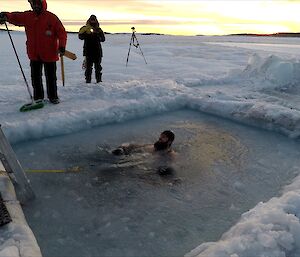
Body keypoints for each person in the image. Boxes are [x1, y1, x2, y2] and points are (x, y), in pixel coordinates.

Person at [0, 0, 67, 104]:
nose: (35, 6)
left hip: (49, 53)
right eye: (33, 4)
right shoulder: (28, 16)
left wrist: (62, 46)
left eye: (37, 4)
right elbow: (15, 17)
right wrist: (6, 16)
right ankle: (38, 97)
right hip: (34, 53)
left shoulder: (51, 17)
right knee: (35, 77)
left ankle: (53, 97)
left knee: (51, 77)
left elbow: (62, 33)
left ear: (42, 4)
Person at [78, 15, 105, 83]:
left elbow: (103, 39)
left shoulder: (99, 29)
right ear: (89, 20)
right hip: (88, 51)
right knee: (88, 68)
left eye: (94, 20)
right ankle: (88, 81)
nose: (92, 21)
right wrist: (87, 34)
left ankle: (99, 81)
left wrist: (97, 34)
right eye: (91, 19)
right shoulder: (85, 28)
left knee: (98, 68)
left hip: (97, 51)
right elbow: (80, 37)